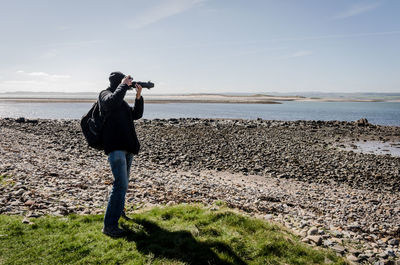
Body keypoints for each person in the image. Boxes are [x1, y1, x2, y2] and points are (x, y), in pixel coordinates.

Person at [99, 71, 143, 237]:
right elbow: (111, 102)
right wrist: (124, 85)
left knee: (122, 185)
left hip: (127, 148)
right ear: (118, 82)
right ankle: (109, 226)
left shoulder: (121, 101)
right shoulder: (105, 95)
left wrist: (138, 96)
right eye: (124, 81)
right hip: (116, 148)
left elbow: (136, 115)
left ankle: (119, 213)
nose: (127, 83)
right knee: (120, 184)